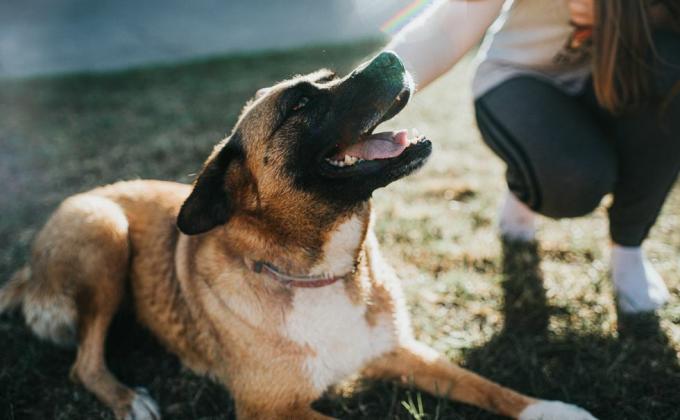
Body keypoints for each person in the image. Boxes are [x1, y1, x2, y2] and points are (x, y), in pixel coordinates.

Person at [386, 0, 680, 313]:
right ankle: (524, 182)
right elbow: (450, 24)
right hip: (519, 76)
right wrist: (371, 95)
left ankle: (628, 248)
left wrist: (629, 12)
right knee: (574, 183)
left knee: (671, 63)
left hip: (603, 85)